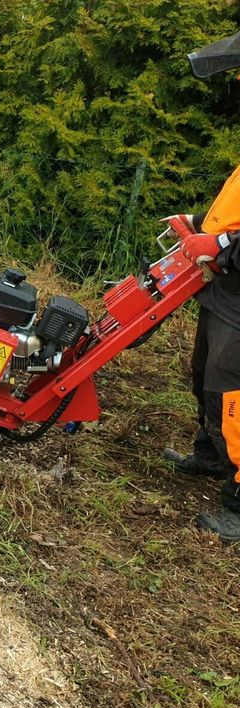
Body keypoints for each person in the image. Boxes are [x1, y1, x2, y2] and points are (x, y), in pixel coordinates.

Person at [163, 31, 240, 541]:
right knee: (204, 375)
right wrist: (198, 223)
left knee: (234, 393)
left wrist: (221, 246)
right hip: (225, 290)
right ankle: (210, 455)